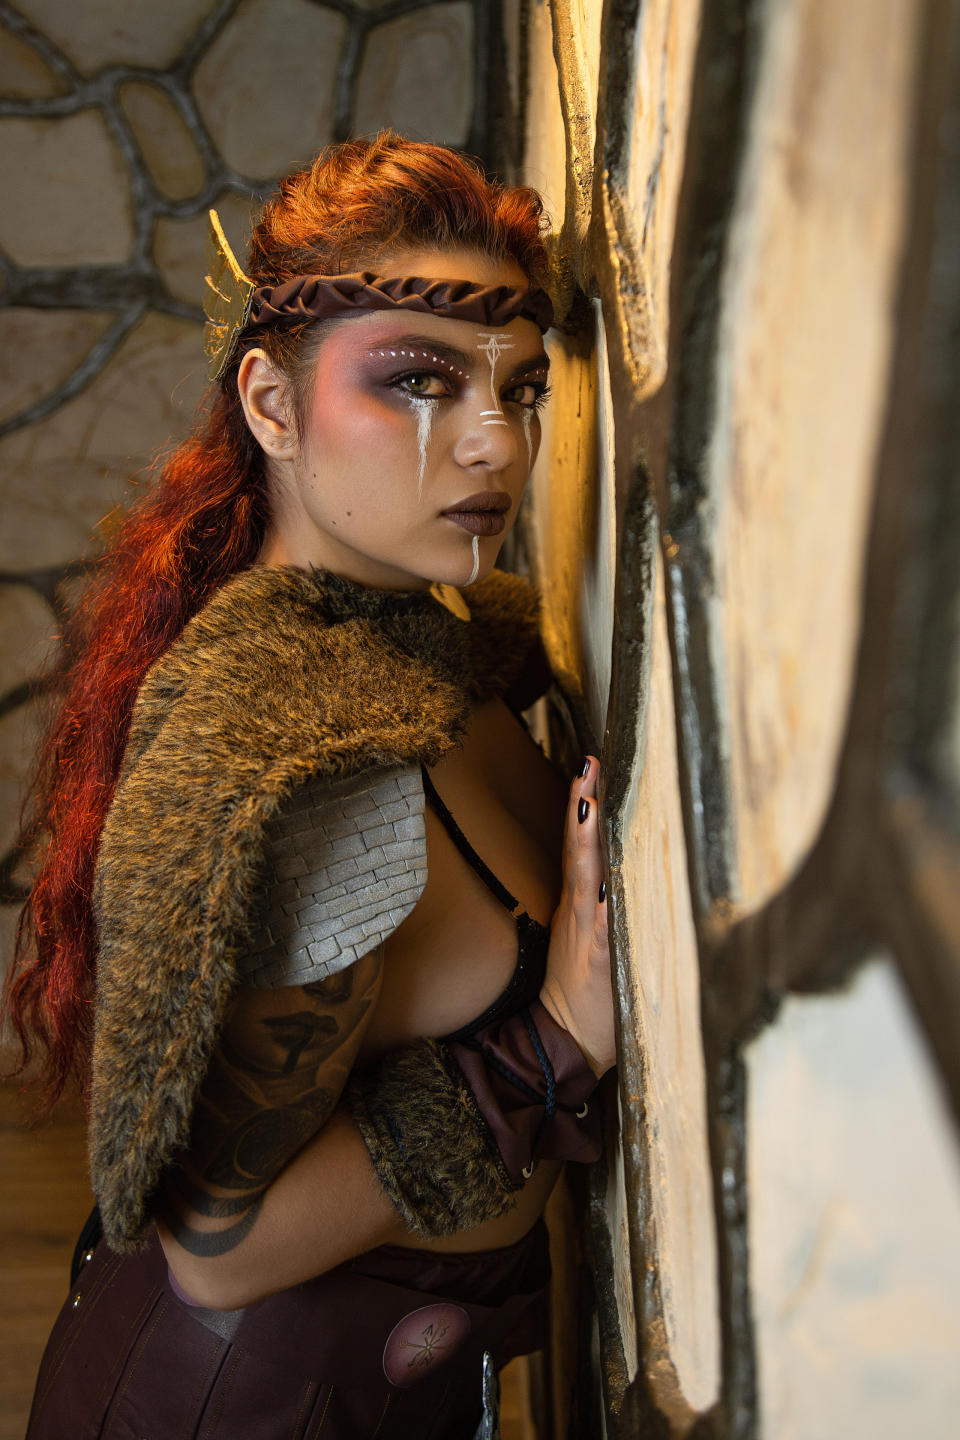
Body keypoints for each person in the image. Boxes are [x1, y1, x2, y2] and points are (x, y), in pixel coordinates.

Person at [5, 132, 615, 1439]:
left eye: (519, 389)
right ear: (273, 407)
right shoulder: (307, 771)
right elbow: (220, 1249)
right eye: (418, 382)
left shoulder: (426, 649)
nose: (494, 444)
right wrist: (553, 1046)